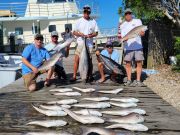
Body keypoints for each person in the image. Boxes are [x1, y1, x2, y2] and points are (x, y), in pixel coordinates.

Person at [70, 5, 99, 82]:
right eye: (85, 12)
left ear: (90, 12)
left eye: (88, 12)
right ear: (83, 12)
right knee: (76, 60)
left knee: (89, 61)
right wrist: (80, 34)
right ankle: (74, 76)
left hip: (89, 45)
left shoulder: (93, 21)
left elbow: (96, 33)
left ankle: (89, 75)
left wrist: (90, 35)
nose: (86, 13)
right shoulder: (79, 21)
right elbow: (74, 32)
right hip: (80, 43)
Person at [120, 8, 145, 87]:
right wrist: (123, 40)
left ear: (131, 14)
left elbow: (142, 33)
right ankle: (129, 80)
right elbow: (123, 37)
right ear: (125, 15)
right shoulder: (122, 25)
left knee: (139, 63)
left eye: (129, 13)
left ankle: (138, 80)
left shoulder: (137, 21)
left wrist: (142, 33)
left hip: (138, 46)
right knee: (128, 64)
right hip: (128, 47)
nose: (128, 15)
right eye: (127, 13)